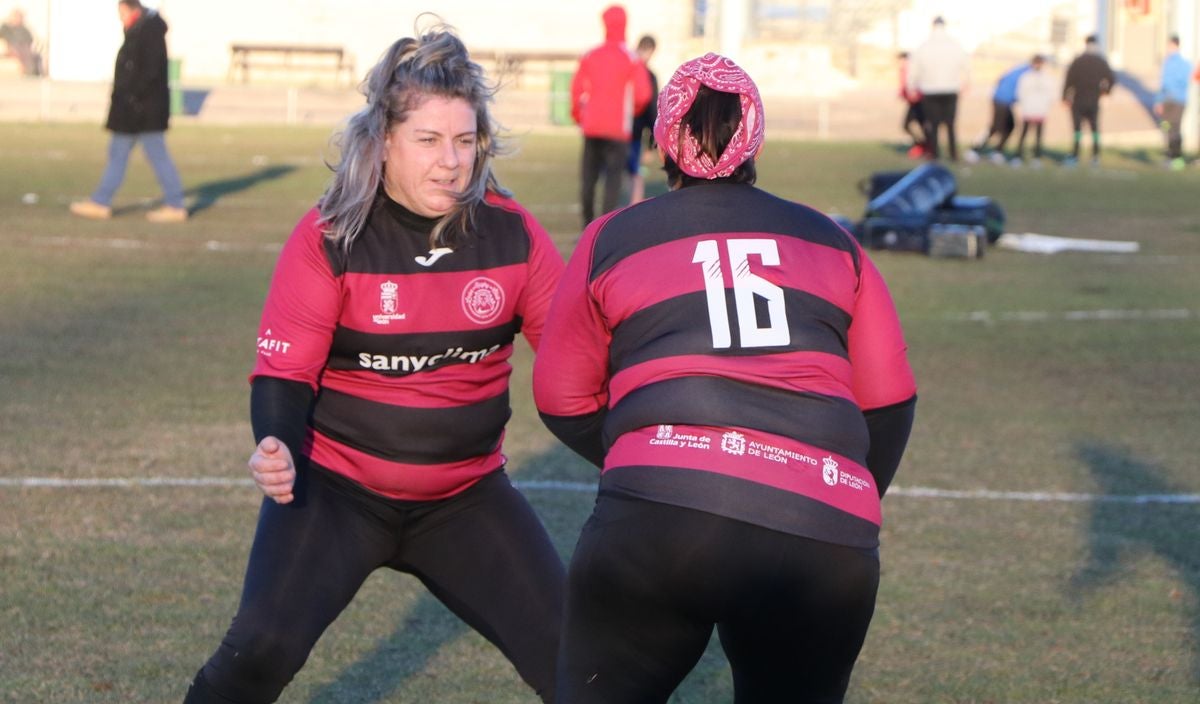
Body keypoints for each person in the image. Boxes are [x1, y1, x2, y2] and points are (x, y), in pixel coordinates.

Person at [181, 22, 567, 704]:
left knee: (583, 667)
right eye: (428, 140)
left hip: (465, 497)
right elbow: (282, 373)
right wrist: (272, 440)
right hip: (335, 493)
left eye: (465, 140)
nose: (451, 161)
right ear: (384, 141)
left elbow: (575, 354)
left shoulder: (513, 233)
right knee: (256, 654)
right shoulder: (332, 234)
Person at [533, 52, 917, 703]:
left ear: (663, 137)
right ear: (754, 136)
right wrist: (828, 482)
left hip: (658, 524)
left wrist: (659, 455)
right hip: (824, 534)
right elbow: (889, 402)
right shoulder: (833, 241)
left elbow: (561, 397)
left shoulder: (613, 236)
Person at [70, 0, 187, 222]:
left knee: (155, 155)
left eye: (121, 12)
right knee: (119, 153)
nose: (119, 17)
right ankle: (101, 201)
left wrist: (133, 96)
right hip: (134, 109)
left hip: (142, 110)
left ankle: (175, 205)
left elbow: (149, 71)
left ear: (132, 9)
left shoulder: (148, 31)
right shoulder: (139, 29)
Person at [570, 4, 653, 226]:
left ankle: (587, 223)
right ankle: (603, 228)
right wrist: (629, 113)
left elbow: (576, 90)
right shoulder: (631, 58)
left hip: (592, 128)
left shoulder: (590, 55)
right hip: (617, 130)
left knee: (588, 179)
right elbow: (643, 94)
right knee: (612, 182)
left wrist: (581, 117)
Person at [907, 16, 969, 161]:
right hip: (950, 89)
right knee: (950, 124)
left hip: (929, 90)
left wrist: (911, 87)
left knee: (933, 124)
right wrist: (967, 82)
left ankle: (934, 153)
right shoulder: (955, 45)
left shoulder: (924, 46)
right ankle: (953, 153)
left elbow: (913, 69)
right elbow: (966, 65)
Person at [1061, 34, 1115, 167]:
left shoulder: (1078, 60)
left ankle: (1075, 154)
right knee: (1094, 128)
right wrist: (1105, 92)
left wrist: (1065, 97)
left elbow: (1069, 80)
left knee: (1077, 129)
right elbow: (1111, 78)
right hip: (1093, 100)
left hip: (1078, 99)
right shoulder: (1101, 61)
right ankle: (1095, 155)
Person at [970, 60, 1028, 165]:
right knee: (995, 127)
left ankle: (998, 151)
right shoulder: (1026, 73)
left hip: (1004, 100)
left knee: (1010, 126)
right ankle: (974, 149)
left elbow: (1000, 79)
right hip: (1001, 100)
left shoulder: (1020, 69)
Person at [627, 34, 658, 205]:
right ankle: (633, 206)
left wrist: (650, 145)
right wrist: (651, 145)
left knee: (632, 172)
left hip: (627, 131)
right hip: (631, 131)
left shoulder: (625, 69)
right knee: (634, 173)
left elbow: (652, 110)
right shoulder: (646, 75)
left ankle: (629, 206)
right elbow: (652, 111)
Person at [1153, 35, 1192, 171]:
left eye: (1170, 46)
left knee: (1174, 128)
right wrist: (1159, 101)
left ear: (1175, 45)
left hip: (1176, 100)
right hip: (1169, 100)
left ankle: (1177, 158)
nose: (1168, 49)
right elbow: (1162, 84)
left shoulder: (1183, 63)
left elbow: (1181, 83)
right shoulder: (1168, 62)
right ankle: (1170, 157)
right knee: (1167, 127)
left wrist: (1169, 94)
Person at [1011, 55, 1056, 168]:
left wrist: (1046, 105)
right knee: (1024, 133)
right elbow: (1020, 93)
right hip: (1028, 110)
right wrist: (1023, 105)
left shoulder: (1047, 78)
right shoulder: (1026, 77)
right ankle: (1018, 156)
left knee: (1039, 135)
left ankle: (1037, 157)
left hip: (1041, 110)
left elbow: (1052, 94)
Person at [896, 51, 926, 158]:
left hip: (919, 102)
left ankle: (924, 146)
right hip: (913, 102)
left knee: (909, 125)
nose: (900, 63)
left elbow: (916, 84)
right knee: (916, 125)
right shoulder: (903, 71)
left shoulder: (913, 71)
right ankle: (923, 145)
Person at [0, 7, 42, 76]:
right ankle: (28, 71)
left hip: (24, 47)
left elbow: (30, 40)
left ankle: (34, 74)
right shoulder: (5, 27)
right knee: (21, 51)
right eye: (16, 16)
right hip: (11, 47)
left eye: (20, 17)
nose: (18, 18)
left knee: (35, 55)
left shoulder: (24, 29)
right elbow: (3, 38)